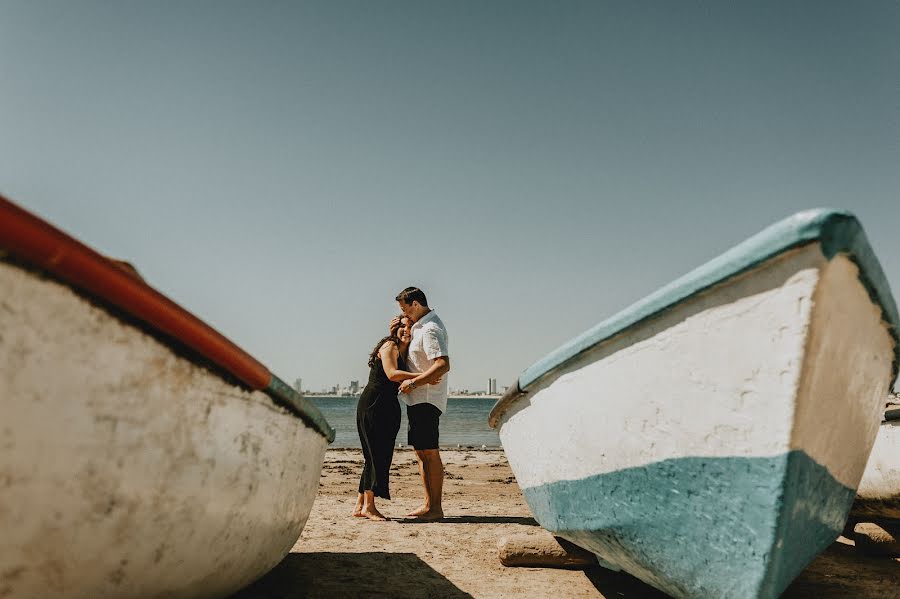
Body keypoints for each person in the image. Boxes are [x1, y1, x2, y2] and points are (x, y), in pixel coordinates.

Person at [352, 316, 419, 521]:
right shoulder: (389, 345)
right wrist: (424, 375)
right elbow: (391, 374)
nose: (406, 330)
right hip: (375, 405)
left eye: (410, 327)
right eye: (402, 327)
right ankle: (369, 507)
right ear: (393, 329)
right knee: (377, 455)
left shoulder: (400, 349)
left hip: (384, 405)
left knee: (372, 455)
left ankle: (360, 504)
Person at [394, 286, 450, 521]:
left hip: (426, 398)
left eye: (405, 309)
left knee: (429, 452)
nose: (404, 313)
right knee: (421, 453)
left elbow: (443, 364)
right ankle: (429, 504)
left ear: (415, 304)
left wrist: (414, 383)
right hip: (418, 399)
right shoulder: (418, 328)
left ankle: (435, 508)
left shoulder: (430, 329)